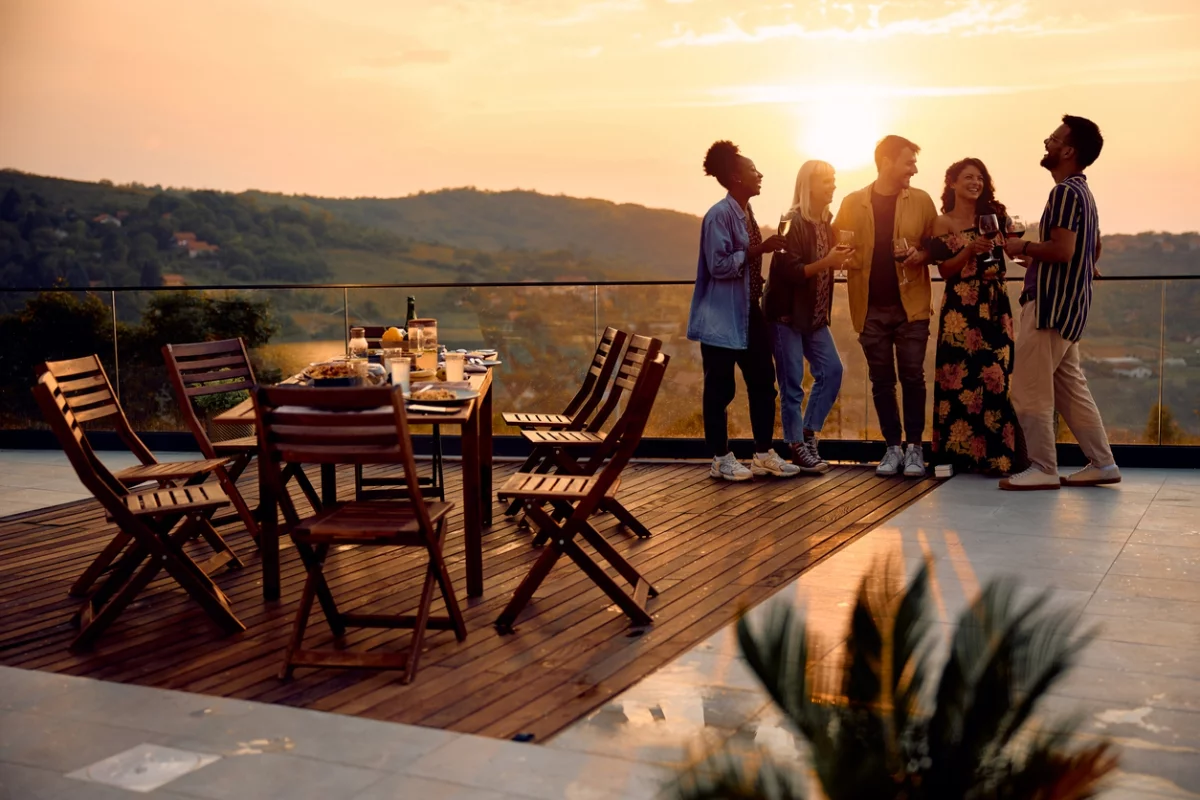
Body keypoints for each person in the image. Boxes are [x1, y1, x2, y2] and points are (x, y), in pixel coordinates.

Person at [1000, 115, 1119, 490]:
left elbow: (1064, 250)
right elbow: (1089, 250)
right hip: (1071, 308)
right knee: (1071, 392)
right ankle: (1103, 463)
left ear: (1068, 150)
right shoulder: (1085, 194)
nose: (1047, 142)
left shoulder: (1065, 193)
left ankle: (1042, 468)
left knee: (1028, 391)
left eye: (1053, 138)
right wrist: (1034, 257)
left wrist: (1023, 246)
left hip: (1050, 309)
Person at [686, 140, 801, 481]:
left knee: (764, 383)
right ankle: (720, 458)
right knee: (720, 390)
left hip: (751, 313)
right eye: (753, 170)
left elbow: (746, 257)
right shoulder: (719, 215)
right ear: (736, 177)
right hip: (722, 318)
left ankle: (763, 454)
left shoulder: (745, 212)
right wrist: (758, 248)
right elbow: (719, 265)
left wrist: (767, 249)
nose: (760, 174)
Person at [833, 135, 939, 478]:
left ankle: (915, 449)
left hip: (911, 308)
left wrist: (920, 255)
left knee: (913, 378)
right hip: (869, 309)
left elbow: (934, 247)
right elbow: (837, 242)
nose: (915, 169)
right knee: (881, 381)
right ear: (887, 161)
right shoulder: (852, 202)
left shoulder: (922, 201)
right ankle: (892, 448)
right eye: (909, 162)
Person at [927, 158, 1028, 476]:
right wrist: (968, 251)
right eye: (968, 177)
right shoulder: (942, 223)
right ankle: (956, 457)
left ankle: (998, 457)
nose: (976, 182)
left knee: (995, 378)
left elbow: (1015, 251)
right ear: (952, 183)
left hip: (995, 304)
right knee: (956, 379)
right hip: (961, 306)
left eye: (980, 177)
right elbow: (944, 271)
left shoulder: (997, 215)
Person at [763, 160, 852, 473]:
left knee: (833, 371)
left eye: (833, 180)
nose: (833, 186)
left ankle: (808, 433)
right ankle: (796, 445)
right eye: (826, 181)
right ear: (809, 185)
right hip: (785, 316)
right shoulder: (790, 221)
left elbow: (823, 265)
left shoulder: (827, 224)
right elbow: (789, 270)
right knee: (792, 386)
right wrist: (829, 261)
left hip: (813, 317)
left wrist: (839, 262)